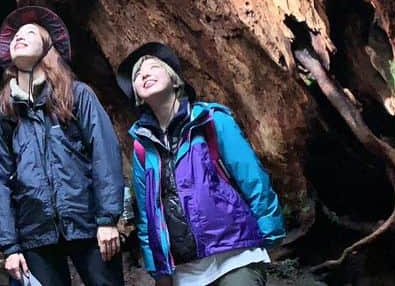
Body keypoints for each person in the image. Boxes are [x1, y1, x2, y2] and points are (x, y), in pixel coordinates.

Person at [116, 41, 285, 286]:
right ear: (137, 97)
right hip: (187, 272)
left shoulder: (211, 121)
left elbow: (252, 177)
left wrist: (270, 231)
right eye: (138, 75)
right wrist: (158, 269)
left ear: (175, 81)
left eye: (153, 67)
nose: (144, 74)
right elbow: (147, 214)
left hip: (234, 256)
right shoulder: (143, 147)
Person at [0, 5, 125, 286]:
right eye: (15, 37)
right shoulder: (5, 115)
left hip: (88, 223)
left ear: (48, 47)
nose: (19, 38)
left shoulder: (77, 95)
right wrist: (9, 247)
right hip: (34, 231)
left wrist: (108, 218)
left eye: (29, 33)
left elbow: (104, 154)